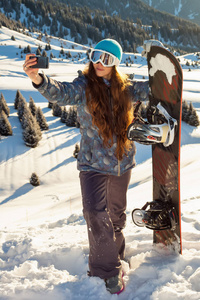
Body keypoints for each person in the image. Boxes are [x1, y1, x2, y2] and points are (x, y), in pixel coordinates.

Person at [23, 38, 149, 294]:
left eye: (108, 59)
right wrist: (38, 78)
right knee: (94, 212)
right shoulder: (84, 86)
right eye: (96, 56)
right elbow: (61, 92)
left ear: (116, 64)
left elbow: (152, 88)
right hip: (92, 164)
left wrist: (166, 79)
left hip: (122, 163)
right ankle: (106, 271)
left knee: (115, 216)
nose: (100, 63)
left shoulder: (126, 87)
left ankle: (116, 256)